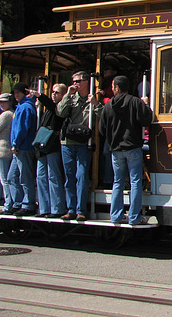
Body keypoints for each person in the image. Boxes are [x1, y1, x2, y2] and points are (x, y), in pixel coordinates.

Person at [99, 76, 153, 225]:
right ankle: (134, 217)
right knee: (135, 181)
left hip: (116, 149)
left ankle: (116, 215)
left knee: (118, 182)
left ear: (116, 88)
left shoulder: (108, 106)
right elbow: (147, 120)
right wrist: (146, 105)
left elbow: (101, 129)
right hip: (133, 147)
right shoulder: (135, 102)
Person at [57, 71, 102, 221]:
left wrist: (96, 104)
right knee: (69, 177)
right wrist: (67, 95)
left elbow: (103, 117)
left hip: (84, 143)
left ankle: (81, 210)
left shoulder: (93, 98)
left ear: (86, 82)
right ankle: (70, 209)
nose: (75, 84)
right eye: (73, 81)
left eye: (78, 81)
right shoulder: (70, 98)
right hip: (68, 143)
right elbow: (60, 113)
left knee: (81, 176)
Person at [31, 83, 67, 218]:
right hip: (42, 146)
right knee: (41, 177)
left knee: (53, 176)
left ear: (63, 95)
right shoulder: (47, 109)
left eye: (57, 92)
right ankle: (44, 208)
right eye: (53, 92)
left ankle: (57, 208)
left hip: (52, 146)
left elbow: (54, 109)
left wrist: (40, 96)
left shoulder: (60, 108)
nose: (54, 94)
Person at [7, 82, 38, 216]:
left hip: (23, 147)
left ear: (24, 93)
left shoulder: (25, 107)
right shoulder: (21, 106)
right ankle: (18, 202)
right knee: (12, 177)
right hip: (18, 147)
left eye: (18, 92)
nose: (16, 95)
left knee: (25, 177)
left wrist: (16, 143)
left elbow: (22, 128)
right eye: (14, 93)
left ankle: (28, 204)